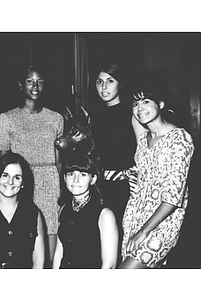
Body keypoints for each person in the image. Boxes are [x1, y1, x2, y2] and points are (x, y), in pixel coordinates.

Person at [119, 70, 195, 269]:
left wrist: (143, 232)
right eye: (135, 104)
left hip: (162, 224)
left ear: (160, 104)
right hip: (135, 217)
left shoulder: (179, 139)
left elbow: (173, 197)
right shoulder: (143, 140)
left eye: (145, 101)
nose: (139, 108)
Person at [0, 64, 64, 267]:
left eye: (40, 82)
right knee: (22, 239)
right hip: (20, 184)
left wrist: (61, 192)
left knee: (51, 240)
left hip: (49, 184)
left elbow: (59, 161)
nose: (35, 86)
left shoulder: (56, 119)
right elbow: (4, 164)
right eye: (30, 81)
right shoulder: (6, 119)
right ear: (20, 84)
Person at [92, 61, 138, 264]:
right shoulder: (95, 116)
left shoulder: (132, 112)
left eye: (110, 81)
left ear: (120, 84)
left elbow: (142, 152)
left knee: (125, 243)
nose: (104, 87)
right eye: (99, 82)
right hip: (102, 187)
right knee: (104, 241)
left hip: (127, 188)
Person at [53, 154, 118, 269]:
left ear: (93, 179)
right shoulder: (64, 209)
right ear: (64, 178)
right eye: (70, 174)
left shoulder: (104, 214)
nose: (75, 180)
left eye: (82, 174)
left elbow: (109, 265)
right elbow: (59, 252)